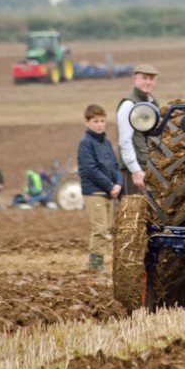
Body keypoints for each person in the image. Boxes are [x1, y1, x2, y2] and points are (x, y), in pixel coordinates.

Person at [78, 104, 122, 272]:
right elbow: (90, 169)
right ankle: (95, 265)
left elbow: (116, 165)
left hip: (109, 192)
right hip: (94, 192)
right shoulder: (85, 143)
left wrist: (118, 183)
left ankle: (100, 262)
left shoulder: (106, 142)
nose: (100, 124)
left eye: (102, 121)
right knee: (99, 229)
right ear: (87, 122)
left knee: (107, 229)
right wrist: (110, 186)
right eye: (96, 121)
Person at [116, 64, 159, 195]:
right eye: (144, 78)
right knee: (134, 211)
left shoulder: (152, 103)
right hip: (135, 170)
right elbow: (125, 140)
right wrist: (135, 170)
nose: (148, 82)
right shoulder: (129, 105)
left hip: (148, 165)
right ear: (135, 79)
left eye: (151, 79)